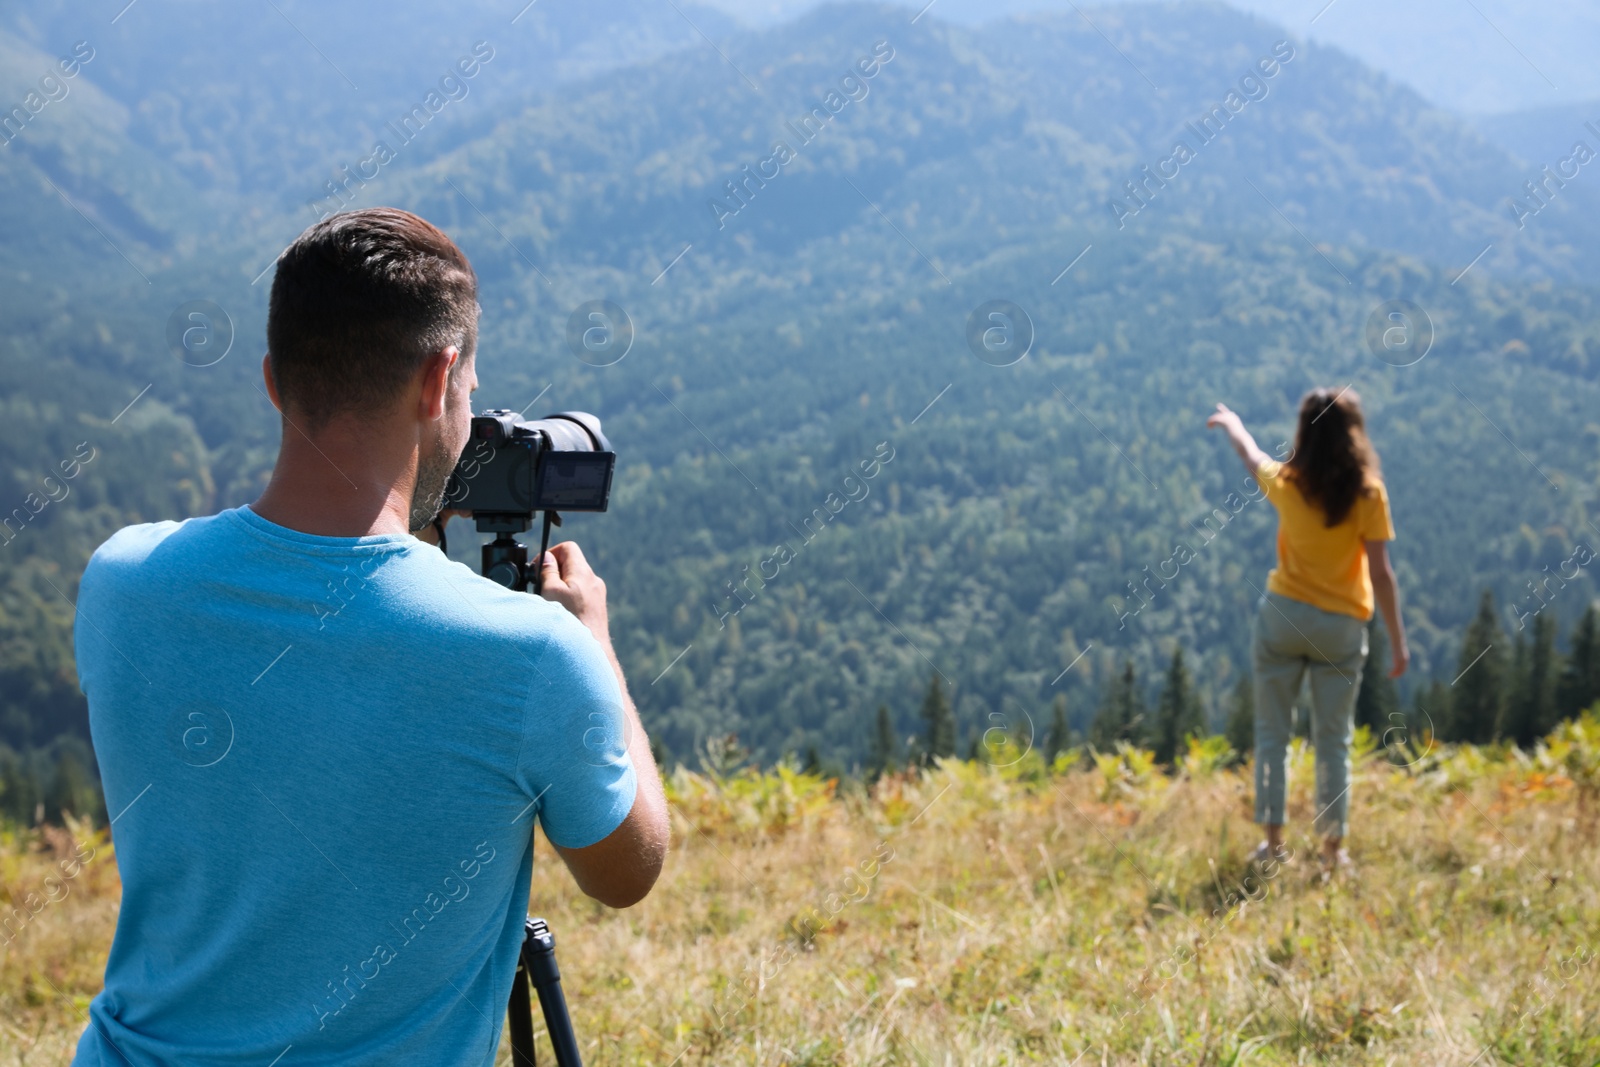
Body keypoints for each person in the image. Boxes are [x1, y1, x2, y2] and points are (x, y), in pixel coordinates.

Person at [71, 208, 669, 1066]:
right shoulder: (530, 654)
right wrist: (596, 649)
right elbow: (626, 871)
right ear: (439, 380)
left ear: (275, 380)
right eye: (466, 390)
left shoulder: (122, 582)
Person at [1207, 388, 1406, 874]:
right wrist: (1398, 643)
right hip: (1340, 627)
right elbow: (1381, 573)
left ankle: (1273, 846)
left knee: (1273, 732)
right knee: (1333, 739)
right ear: (1353, 434)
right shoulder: (1368, 494)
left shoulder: (1288, 482)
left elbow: (1249, 453)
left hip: (1283, 618)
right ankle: (1333, 852)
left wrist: (1232, 422)